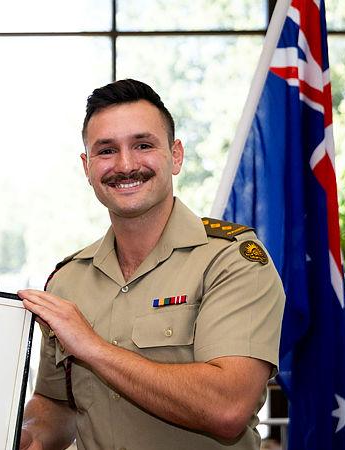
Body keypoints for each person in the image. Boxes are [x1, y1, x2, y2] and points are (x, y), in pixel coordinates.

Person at [17, 79, 285, 450]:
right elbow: (58, 407)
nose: (125, 165)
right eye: (106, 151)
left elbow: (228, 407)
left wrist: (93, 347)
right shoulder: (68, 281)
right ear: (87, 166)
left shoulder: (231, 261)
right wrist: (17, 433)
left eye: (143, 145)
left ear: (175, 156)